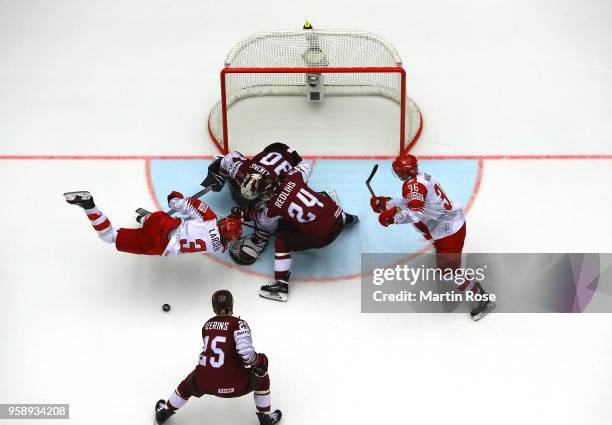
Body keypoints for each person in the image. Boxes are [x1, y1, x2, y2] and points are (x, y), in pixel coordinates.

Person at [370, 154, 495, 321]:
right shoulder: (420, 178)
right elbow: (412, 203)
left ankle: (482, 298)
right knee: (421, 225)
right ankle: (437, 244)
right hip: (448, 222)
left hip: (449, 231)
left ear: (406, 173)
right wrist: (386, 203)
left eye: (400, 172)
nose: (398, 175)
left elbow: (415, 213)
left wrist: (393, 217)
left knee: (448, 273)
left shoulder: (412, 186)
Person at [154, 290, 282, 425]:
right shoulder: (238, 323)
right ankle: (265, 418)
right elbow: (246, 354)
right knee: (262, 379)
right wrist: (260, 362)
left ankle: (164, 413)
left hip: (204, 382)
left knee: (186, 385)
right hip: (235, 384)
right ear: (232, 304)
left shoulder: (207, 325)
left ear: (213, 306)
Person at [244, 159, 358, 301]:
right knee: (321, 202)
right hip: (338, 217)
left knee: (282, 242)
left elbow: (265, 224)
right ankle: (350, 218)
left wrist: (249, 214)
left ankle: (280, 286)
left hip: (324, 237)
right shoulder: (293, 178)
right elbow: (308, 163)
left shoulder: (273, 207)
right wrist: (289, 173)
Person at [201, 142, 303, 265]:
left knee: (270, 216)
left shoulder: (280, 190)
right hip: (274, 149)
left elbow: (268, 217)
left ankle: (260, 238)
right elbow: (229, 158)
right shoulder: (243, 172)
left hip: (294, 163)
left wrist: (250, 215)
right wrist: (221, 177)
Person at [63, 190, 242, 256]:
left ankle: (145, 219)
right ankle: (89, 206)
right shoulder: (218, 248)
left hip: (161, 221)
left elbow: (176, 202)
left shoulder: (209, 216)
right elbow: (227, 246)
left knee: (159, 219)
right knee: (109, 237)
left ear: (224, 220)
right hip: (158, 245)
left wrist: (174, 197)